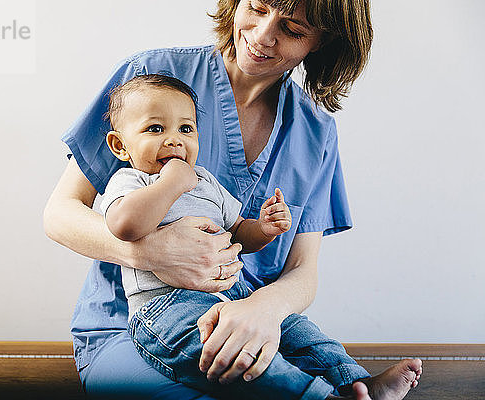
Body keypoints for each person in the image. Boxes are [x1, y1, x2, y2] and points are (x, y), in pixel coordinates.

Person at [44, 0, 423, 399]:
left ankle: (356, 383)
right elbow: (59, 214)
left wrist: (264, 309)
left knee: (300, 344)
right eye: (257, 8)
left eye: (292, 29)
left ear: (323, 43)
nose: (262, 35)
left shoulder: (316, 132)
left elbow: (302, 270)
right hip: (136, 324)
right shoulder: (149, 80)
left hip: (249, 315)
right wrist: (148, 254)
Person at [99, 73, 383, 399]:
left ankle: (357, 381)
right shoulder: (132, 182)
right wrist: (171, 182)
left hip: (238, 298)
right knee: (233, 355)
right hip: (165, 310)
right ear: (120, 145)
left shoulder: (205, 181)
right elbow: (124, 226)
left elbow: (238, 231)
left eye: (186, 129)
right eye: (155, 129)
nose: (175, 139)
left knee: (294, 329)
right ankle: (317, 396)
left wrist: (263, 228)